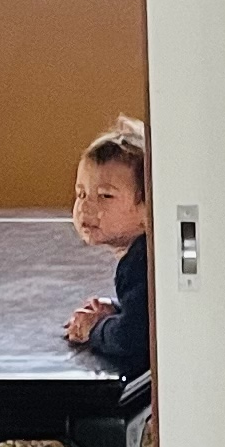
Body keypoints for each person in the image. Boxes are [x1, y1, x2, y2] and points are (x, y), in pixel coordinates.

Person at [61, 116, 151, 372]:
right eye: (81, 194)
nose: (85, 207)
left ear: (148, 208)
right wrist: (118, 310)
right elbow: (150, 314)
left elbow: (133, 337)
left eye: (105, 196)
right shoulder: (143, 253)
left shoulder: (141, 262)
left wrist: (95, 329)